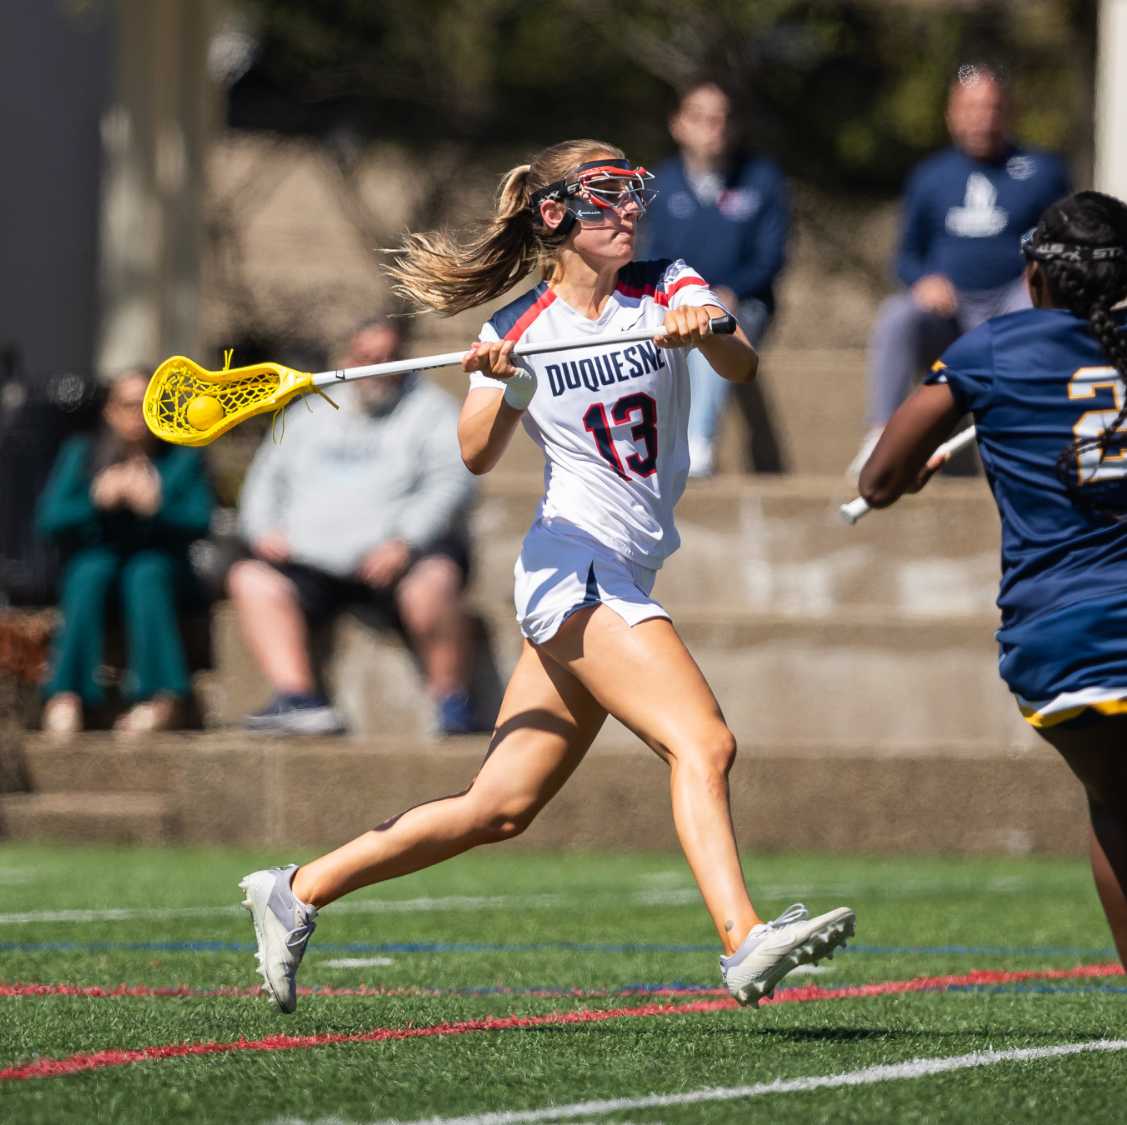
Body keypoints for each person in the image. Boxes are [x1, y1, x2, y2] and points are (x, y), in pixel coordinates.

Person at [238, 140, 853, 1014]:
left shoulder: (667, 284)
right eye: (608, 193)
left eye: (634, 190)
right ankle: (743, 937)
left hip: (623, 567)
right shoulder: (517, 329)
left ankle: (296, 889)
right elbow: (474, 452)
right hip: (576, 566)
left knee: (498, 806)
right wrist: (512, 385)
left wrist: (707, 328)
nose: (630, 207)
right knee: (704, 741)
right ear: (556, 212)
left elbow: (742, 360)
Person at [855, 191, 1127, 1080]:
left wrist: (923, 466)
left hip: (1050, 644)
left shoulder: (986, 351)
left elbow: (879, 477)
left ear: (1033, 275)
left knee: (1117, 805)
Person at [230, 318, 480, 737]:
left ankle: (452, 703)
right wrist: (262, 529)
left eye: (387, 358)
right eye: (366, 358)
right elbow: (266, 477)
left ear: (404, 360)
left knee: (435, 581)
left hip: (398, 561)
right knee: (249, 579)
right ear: (348, 359)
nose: (376, 367)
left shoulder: (435, 412)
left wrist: (405, 541)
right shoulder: (309, 410)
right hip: (309, 561)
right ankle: (299, 700)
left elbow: (453, 483)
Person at [847, 64, 1072, 480]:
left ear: (1007, 111)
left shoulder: (1043, 171)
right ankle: (882, 439)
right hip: (949, 314)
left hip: (1012, 303)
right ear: (952, 114)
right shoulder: (929, 176)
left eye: (992, 107)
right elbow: (905, 257)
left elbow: (1069, 243)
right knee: (897, 315)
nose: (982, 119)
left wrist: (1042, 272)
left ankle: (1042, 443)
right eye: (971, 108)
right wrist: (924, 280)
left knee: (1043, 310)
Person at [37, 370, 214, 734]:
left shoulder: (182, 455)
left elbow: (202, 520)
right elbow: (49, 519)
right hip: (101, 558)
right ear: (110, 411)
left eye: (147, 404)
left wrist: (157, 508)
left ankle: (161, 698)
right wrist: (95, 501)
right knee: (88, 573)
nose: (138, 413)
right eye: (128, 404)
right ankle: (65, 696)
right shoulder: (83, 454)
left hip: (162, 563)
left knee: (145, 572)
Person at [639, 80, 792, 477]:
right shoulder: (659, 184)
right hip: (672, 303)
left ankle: (698, 444)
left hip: (746, 303)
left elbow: (771, 258)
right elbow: (647, 258)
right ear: (678, 125)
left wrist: (731, 291)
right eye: (702, 117)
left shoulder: (762, 179)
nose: (715, 126)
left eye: (723, 117)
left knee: (712, 325)